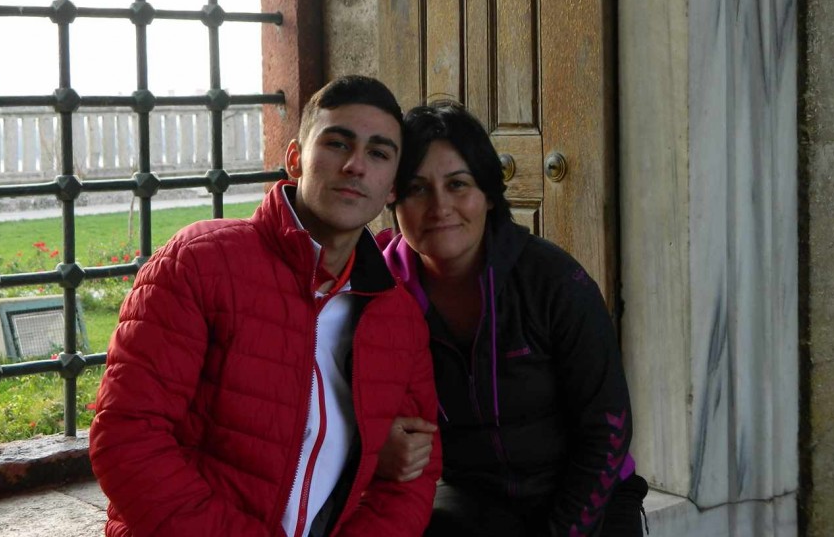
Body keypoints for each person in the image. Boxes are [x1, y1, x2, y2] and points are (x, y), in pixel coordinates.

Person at [89, 75, 441, 537]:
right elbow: (127, 438)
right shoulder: (201, 262)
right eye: (337, 143)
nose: (355, 165)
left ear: (392, 186)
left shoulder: (398, 317)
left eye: (378, 153)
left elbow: (413, 476)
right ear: (295, 159)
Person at [376, 100, 648, 536]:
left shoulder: (554, 282)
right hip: (471, 497)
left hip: (585, 490)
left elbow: (608, 428)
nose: (439, 207)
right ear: (393, 199)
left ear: (488, 195)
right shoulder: (377, 296)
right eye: (416, 188)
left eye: (458, 184)